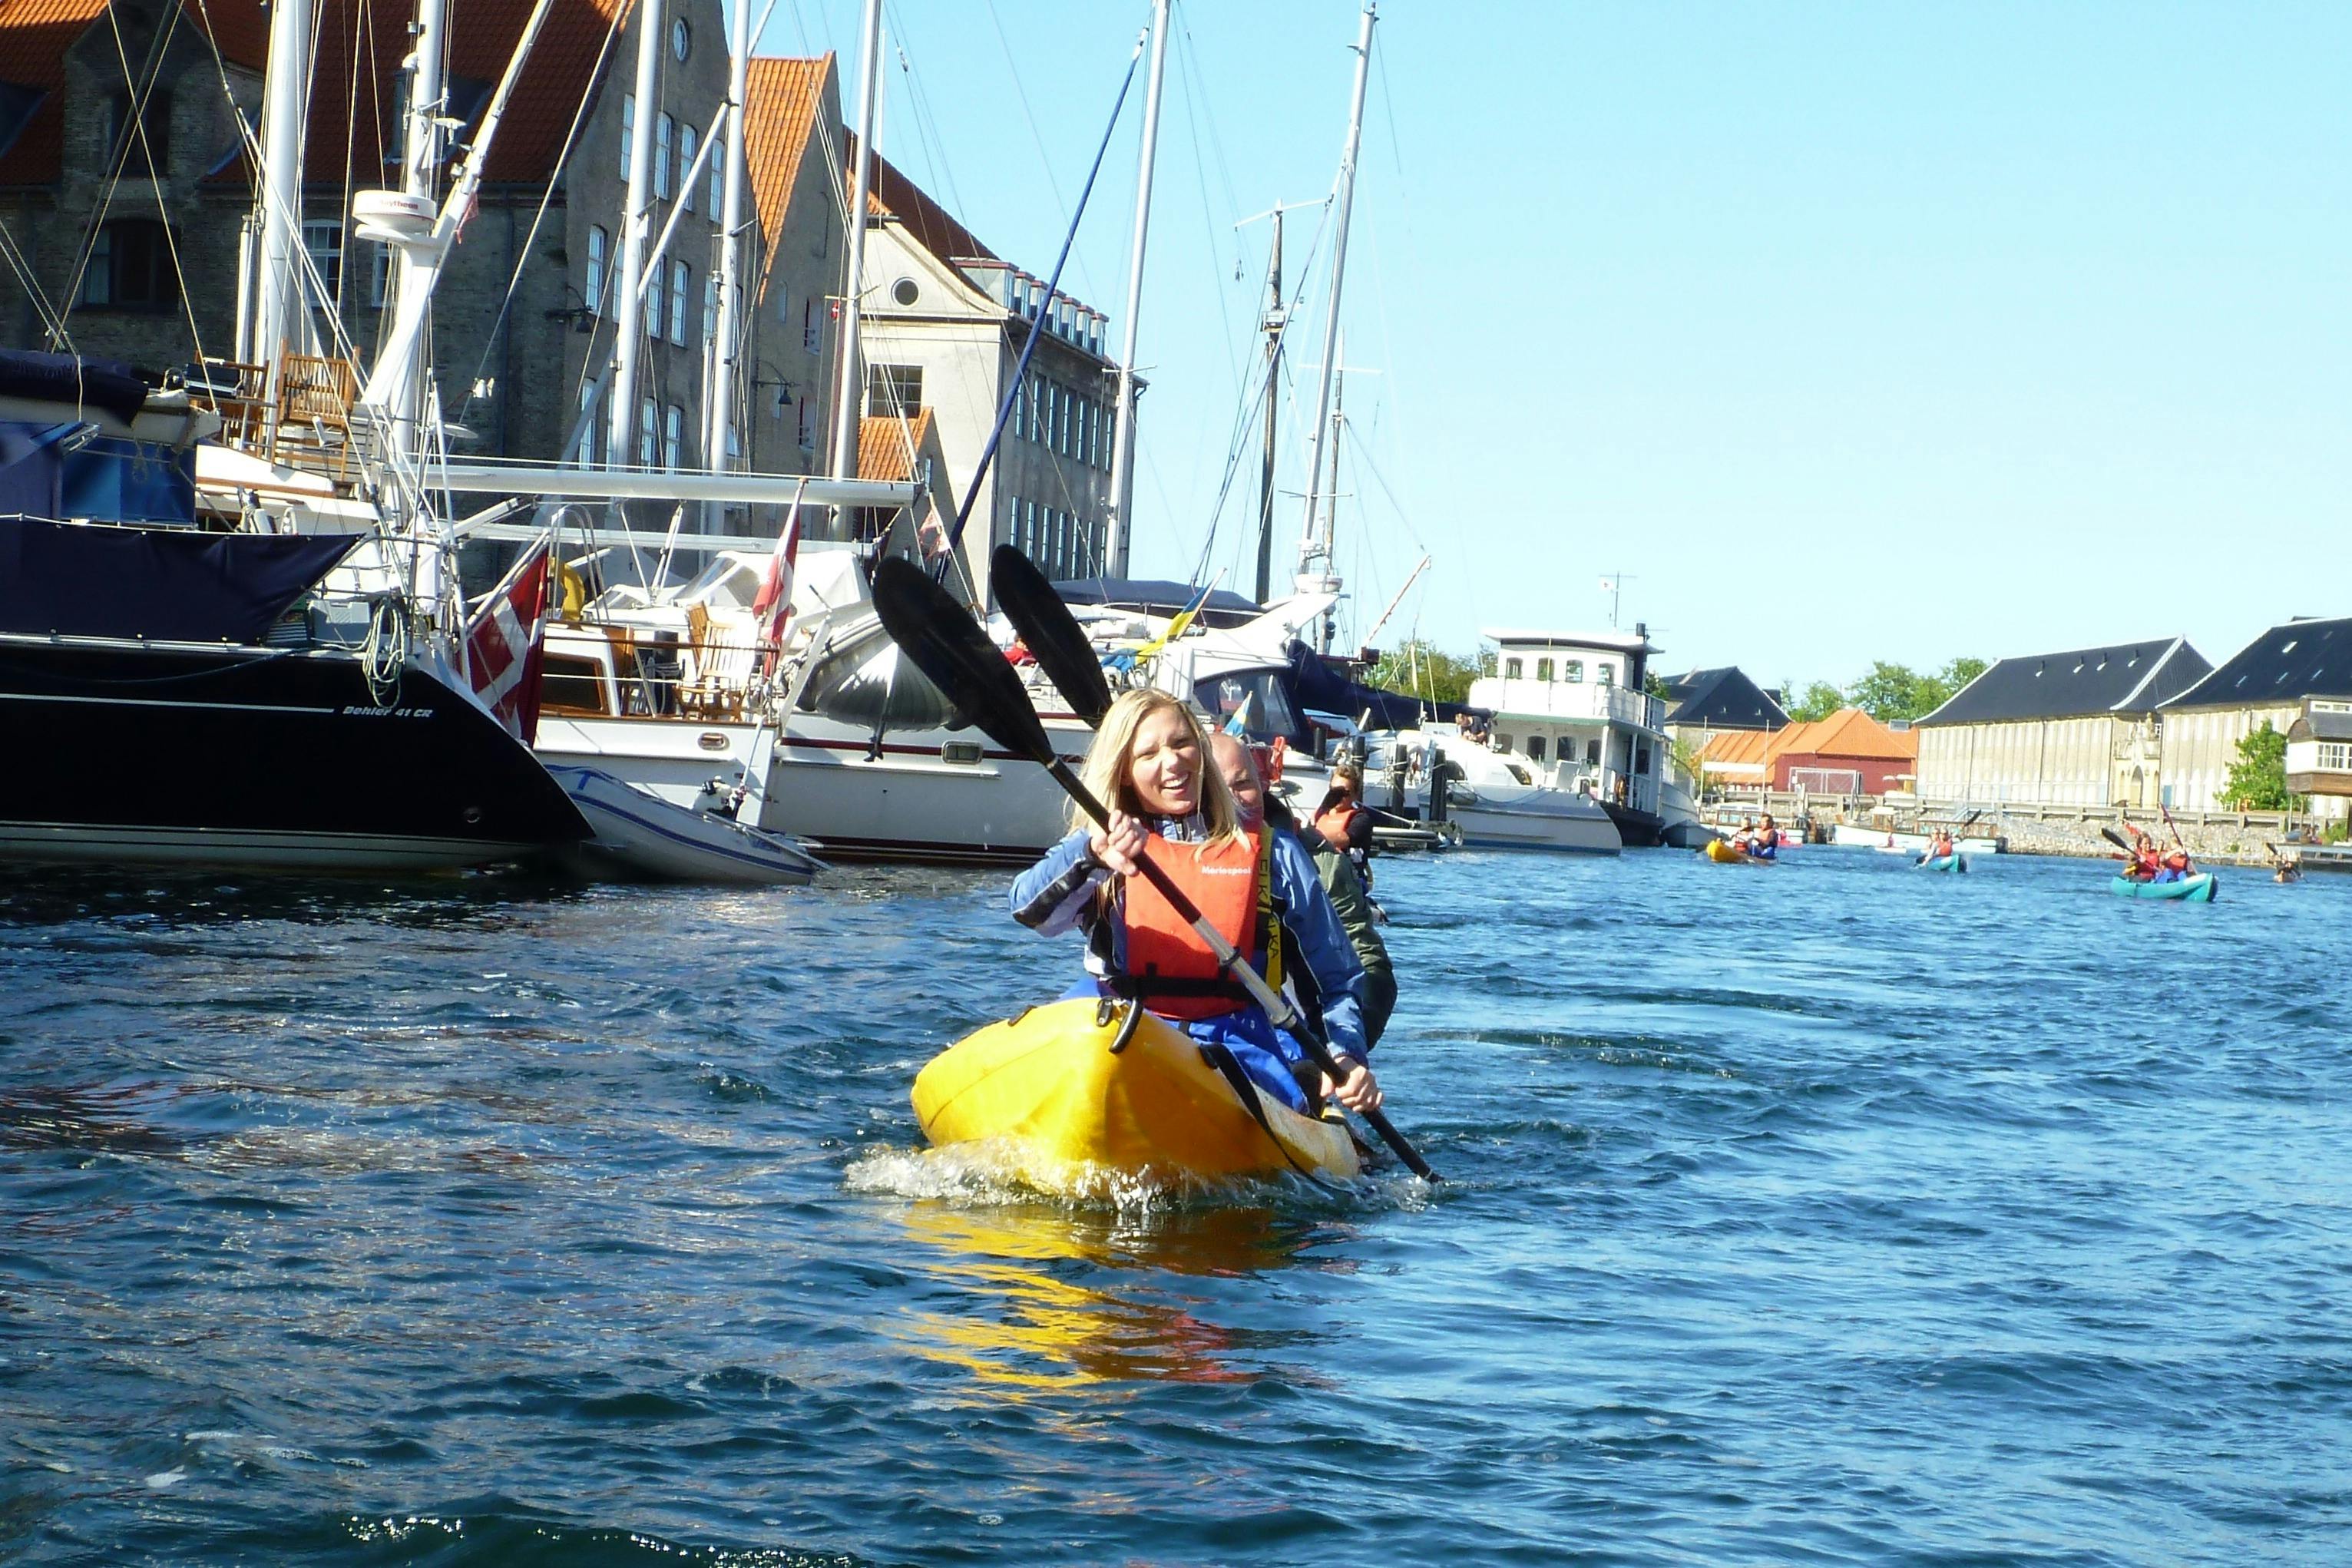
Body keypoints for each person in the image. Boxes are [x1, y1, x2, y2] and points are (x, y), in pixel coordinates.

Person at [1009, 690, 1379, 1118]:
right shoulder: (1102, 844)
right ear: (1125, 772)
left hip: (1233, 1040)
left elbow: (1337, 978)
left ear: (1202, 753)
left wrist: (1346, 1053)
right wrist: (1092, 856)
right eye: (1148, 753)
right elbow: (1027, 911)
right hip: (1120, 1025)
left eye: (1182, 743)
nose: (1172, 762)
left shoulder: (1273, 853)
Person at [1213, 733, 1398, 1048]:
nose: (1233, 800)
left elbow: (1368, 966)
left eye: (1243, 784)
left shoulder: (1317, 863)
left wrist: (1344, 1046)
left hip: (1294, 1038)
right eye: (1218, 788)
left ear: (1263, 785)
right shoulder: (1166, 849)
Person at [1312, 762, 1377, 892]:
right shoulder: (1319, 816)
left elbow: (1343, 839)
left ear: (1355, 795)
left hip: (1349, 883)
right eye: (1335, 792)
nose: (1339, 797)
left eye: (1344, 793)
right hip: (1319, 878)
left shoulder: (1361, 820)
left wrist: (1309, 835)